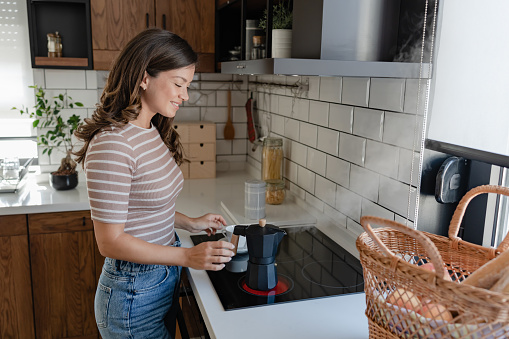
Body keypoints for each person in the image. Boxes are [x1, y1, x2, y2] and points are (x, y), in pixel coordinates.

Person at [74, 28, 235, 339]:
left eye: (187, 86)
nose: (185, 95)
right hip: (133, 293)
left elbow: (141, 207)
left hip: (159, 278)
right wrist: (187, 257)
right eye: (178, 84)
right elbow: (109, 241)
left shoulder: (149, 129)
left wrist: (189, 223)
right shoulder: (113, 144)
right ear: (144, 77)